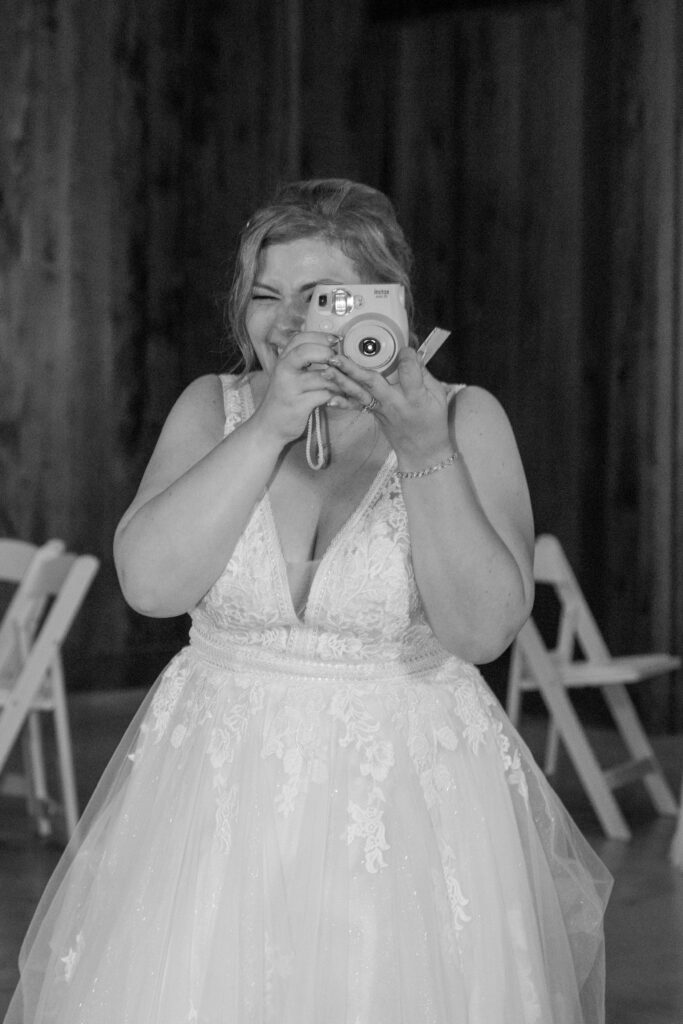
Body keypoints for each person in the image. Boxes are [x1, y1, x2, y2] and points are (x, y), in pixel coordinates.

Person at [4, 178, 612, 1023]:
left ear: (384, 300)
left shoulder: (464, 417)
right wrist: (266, 427)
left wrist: (422, 445)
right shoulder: (209, 408)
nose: (288, 322)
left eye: (321, 296)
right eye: (264, 296)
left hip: (406, 804)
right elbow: (149, 586)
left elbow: (480, 630)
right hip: (212, 801)